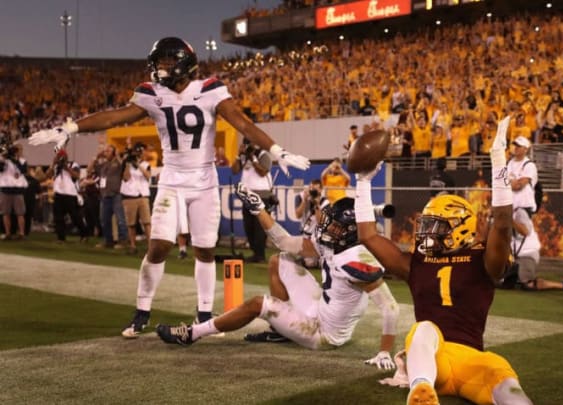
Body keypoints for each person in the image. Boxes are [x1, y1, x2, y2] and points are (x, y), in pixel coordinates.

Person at [28, 37, 309, 338]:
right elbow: (116, 116)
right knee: (159, 245)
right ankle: (142, 311)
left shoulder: (211, 89)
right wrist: (70, 128)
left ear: (183, 63)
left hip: (203, 181)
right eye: (158, 63)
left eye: (166, 63)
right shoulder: (151, 93)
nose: (160, 69)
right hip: (172, 180)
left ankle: (203, 313)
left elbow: (242, 123)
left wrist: (277, 150)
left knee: (204, 249)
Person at [352, 116, 533, 404]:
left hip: (471, 359)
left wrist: (498, 161)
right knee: (423, 329)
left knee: (503, 376)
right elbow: (368, 236)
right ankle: (422, 392)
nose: (426, 232)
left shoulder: (482, 260)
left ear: (460, 228)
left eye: (436, 226)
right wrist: (362, 183)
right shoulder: (417, 261)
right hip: (430, 361)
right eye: (427, 224)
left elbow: (501, 222)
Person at [157, 189, 400, 372]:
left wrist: (384, 352)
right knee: (279, 260)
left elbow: (390, 307)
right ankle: (280, 331)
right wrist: (259, 209)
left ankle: (192, 333)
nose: (327, 227)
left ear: (350, 232)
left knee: (257, 304)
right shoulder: (335, 243)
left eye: (335, 226)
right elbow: (285, 243)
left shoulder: (356, 258)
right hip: (320, 309)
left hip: (324, 334)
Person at [231, 139, 274, 263]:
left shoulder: (264, 155)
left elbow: (262, 172)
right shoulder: (244, 157)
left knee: (259, 227)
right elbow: (234, 170)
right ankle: (255, 253)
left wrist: (253, 157)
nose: (248, 147)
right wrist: (239, 155)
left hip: (262, 196)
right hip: (247, 195)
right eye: (246, 145)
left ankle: (260, 255)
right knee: (248, 226)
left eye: (250, 145)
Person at [88, 144, 129, 249]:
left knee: (120, 219)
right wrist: (96, 157)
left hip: (116, 195)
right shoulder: (104, 165)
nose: (105, 153)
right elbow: (89, 170)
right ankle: (108, 241)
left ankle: (123, 240)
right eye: (105, 151)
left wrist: (118, 156)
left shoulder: (118, 163)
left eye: (108, 151)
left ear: (114, 152)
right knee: (104, 220)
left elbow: (124, 171)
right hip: (105, 195)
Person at [45, 149, 88, 243]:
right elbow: (48, 175)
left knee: (75, 217)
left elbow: (76, 176)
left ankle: (84, 234)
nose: (60, 158)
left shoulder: (73, 164)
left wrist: (66, 167)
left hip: (70, 194)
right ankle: (61, 238)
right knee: (58, 217)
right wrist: (53, 164)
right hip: (58, 194)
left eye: (62, 156)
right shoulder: (56, 167)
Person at [120, 142, 152, 255]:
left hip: (142, 196)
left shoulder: (146, 164)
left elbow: (148, 176)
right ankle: (133, 246)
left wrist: (138, 165)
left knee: (147, 222)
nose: (140, 154)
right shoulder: (126, 164)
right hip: (129, 196)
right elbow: (125, 178)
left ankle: (150, 246)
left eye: (141, 152)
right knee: (131, 224)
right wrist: (128, 164)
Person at [0, 140, 28, 240]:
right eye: (16, 149)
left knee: (20, 213)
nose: (18, 151)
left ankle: (21, 233)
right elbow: (1, 168)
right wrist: (4, 157)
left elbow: (23, 170)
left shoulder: (23, 161)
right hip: (6, 189)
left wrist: (14, 159)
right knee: (5, 212)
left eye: (19, 149)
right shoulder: (4, 159)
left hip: (17, 190)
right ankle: (7, 233)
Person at [507, 136, 538, 215]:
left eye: (519, 146)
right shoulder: (510, 163)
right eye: (515, 145)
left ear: (525, 149)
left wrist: (508, 184)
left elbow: (518, 186)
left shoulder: (529, 165)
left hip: (524, 206)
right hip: (511, 206)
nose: (516, 148)